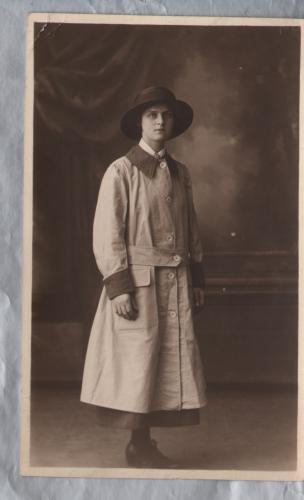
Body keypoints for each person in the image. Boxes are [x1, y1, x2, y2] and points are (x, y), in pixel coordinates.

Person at [80, 86, 207, 468]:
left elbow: (192, 228)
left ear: (173, 122)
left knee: (163, 364)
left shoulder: (181, 173)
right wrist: (118, 286)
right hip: (138, 284)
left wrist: (197, 278)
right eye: (152, 114)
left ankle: (145, 444)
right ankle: (137, 445)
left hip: (175, 281)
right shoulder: (121, 171)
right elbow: (108, 232)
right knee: (138, 363)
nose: (159, 121)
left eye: (165, 115)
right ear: (140, 121)